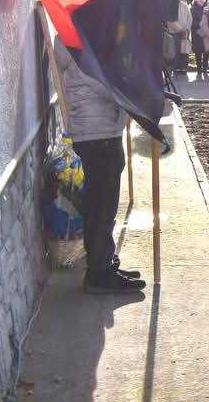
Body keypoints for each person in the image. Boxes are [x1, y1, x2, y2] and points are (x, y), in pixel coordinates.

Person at [54, 40, 145, 294]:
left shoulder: (83, 34)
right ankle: (99, 273)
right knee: (101, 205)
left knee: (105, 203)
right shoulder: (77, 39)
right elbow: (100, 82)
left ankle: (104, 261)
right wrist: (129, 91)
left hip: (101, 129)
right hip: (96, 131)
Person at [189, 0, 207, 80]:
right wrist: (201, 26)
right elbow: (192, 21)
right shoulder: (192, 9)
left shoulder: (206, 8)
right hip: (197, 33)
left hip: (206, 33)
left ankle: (205, 68)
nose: (201, 0)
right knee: (198, 52)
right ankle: (199, 69)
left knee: (206, 51)